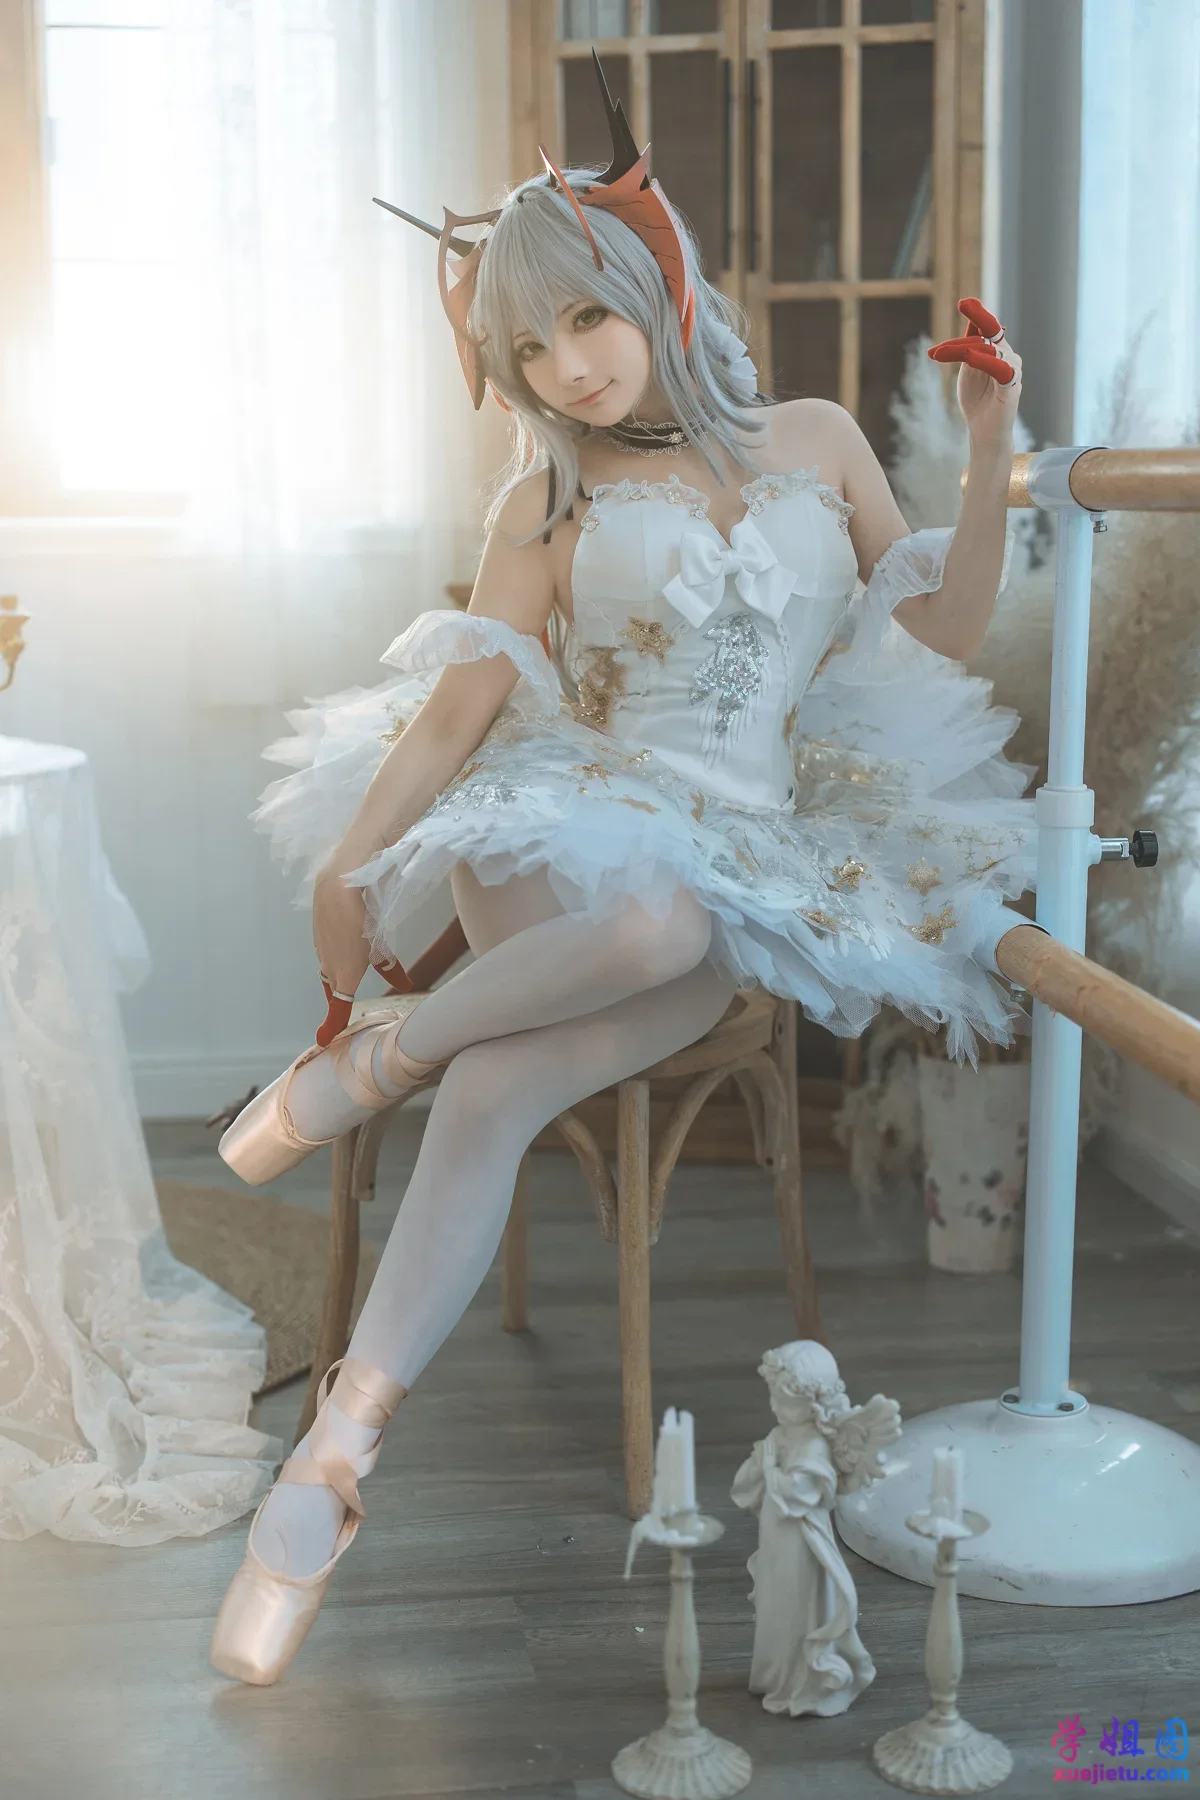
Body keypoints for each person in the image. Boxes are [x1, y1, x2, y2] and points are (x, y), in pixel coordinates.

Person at [210, 61, 1031, 1685]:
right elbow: (462, 710)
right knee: (650, 912)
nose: (568, 368)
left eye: (585, 319)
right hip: (559, 824)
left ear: (654, 282)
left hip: (747, 856)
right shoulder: (548, 497)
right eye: (528, 349)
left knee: (505, 1073)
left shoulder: (812, 441)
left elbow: (944, 623)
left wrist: (993, 448)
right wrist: (357, 860)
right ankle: (369, 1080)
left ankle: (333, 1453)